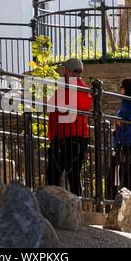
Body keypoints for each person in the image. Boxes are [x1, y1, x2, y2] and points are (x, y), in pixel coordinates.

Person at [47, 58, 93, 196]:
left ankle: (58, 203)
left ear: (66, 71)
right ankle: (75, 205)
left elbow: (53, 109)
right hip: (76, 136)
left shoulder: (68, 88)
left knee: (56, 174)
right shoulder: (83, 89)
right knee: (72, 174)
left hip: (67, 136)